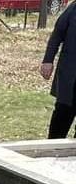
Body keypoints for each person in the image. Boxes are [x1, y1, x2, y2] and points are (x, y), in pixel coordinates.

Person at [42, 2, 76, 139]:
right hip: (71, 76)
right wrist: (48, 60)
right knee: (61, 118)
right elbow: (57, 34)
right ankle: (52, 147)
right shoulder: (73, 9)